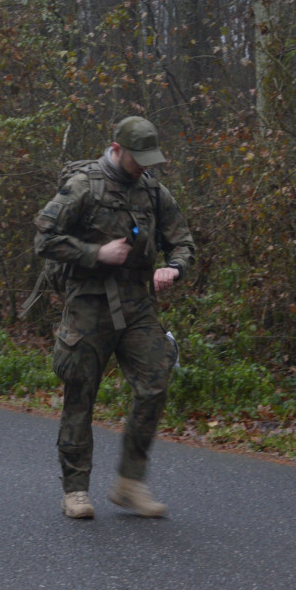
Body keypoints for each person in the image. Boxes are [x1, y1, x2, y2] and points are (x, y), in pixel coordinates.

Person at [34, 116, 196, 519]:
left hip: (137, 303)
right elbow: (44, 237)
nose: (144, 166)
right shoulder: (84, 186)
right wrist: (95, 254)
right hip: (89, 303)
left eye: (149, 159)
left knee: (156, 382)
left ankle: (130, 482)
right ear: (117, 149)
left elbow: (183, 241)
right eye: (137, 158)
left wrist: (174, 268)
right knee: (80, 394)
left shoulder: (154, 192)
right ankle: (75, 490)